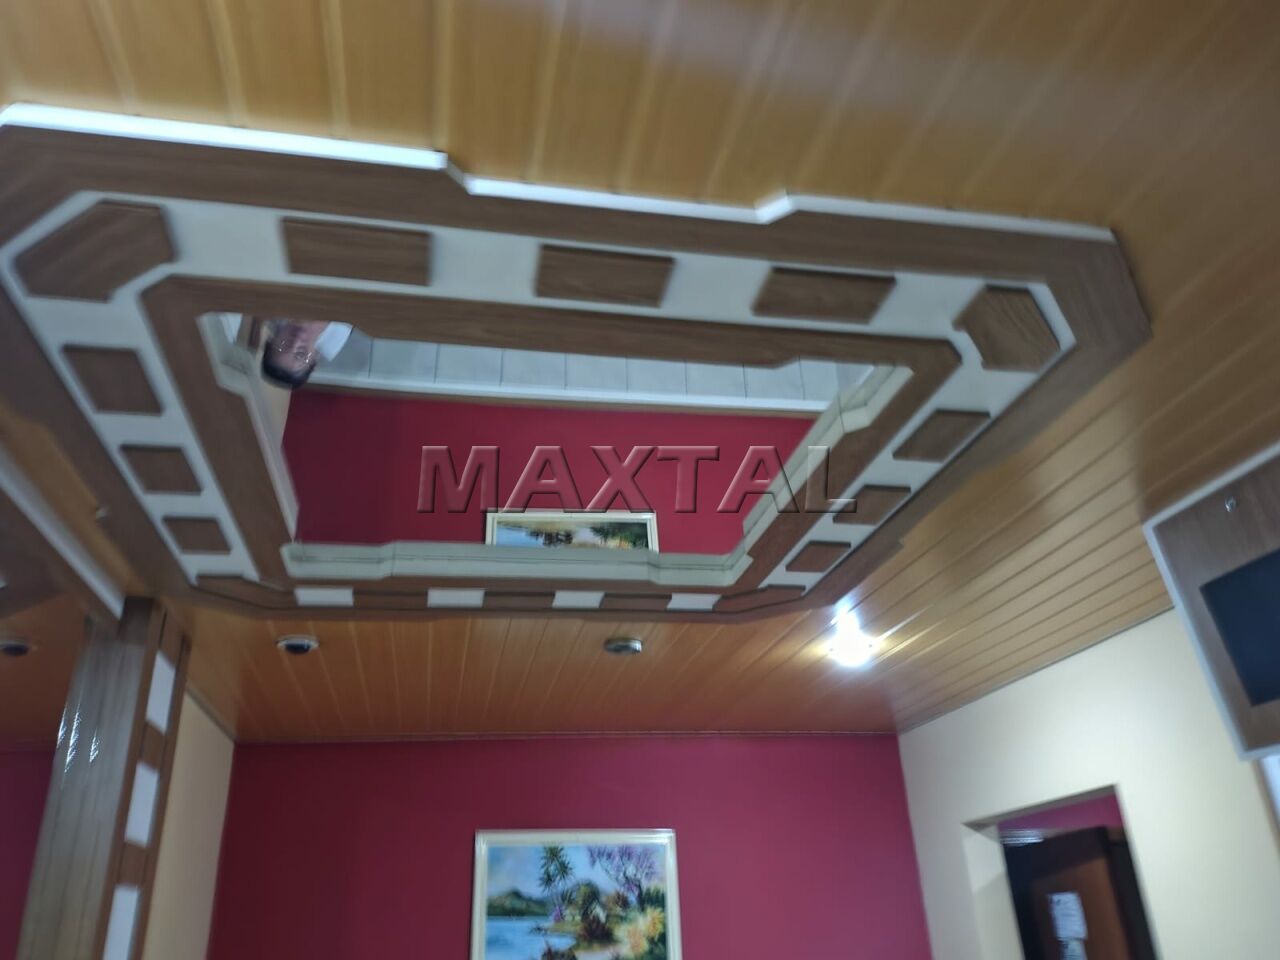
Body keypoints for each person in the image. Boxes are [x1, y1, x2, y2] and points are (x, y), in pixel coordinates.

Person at [258, 318, 353, 390]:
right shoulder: (340, 330)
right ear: (314, 359)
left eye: (283, 346)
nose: (296, 342)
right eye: (301, 354)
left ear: (271, 340)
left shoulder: (275, 308)